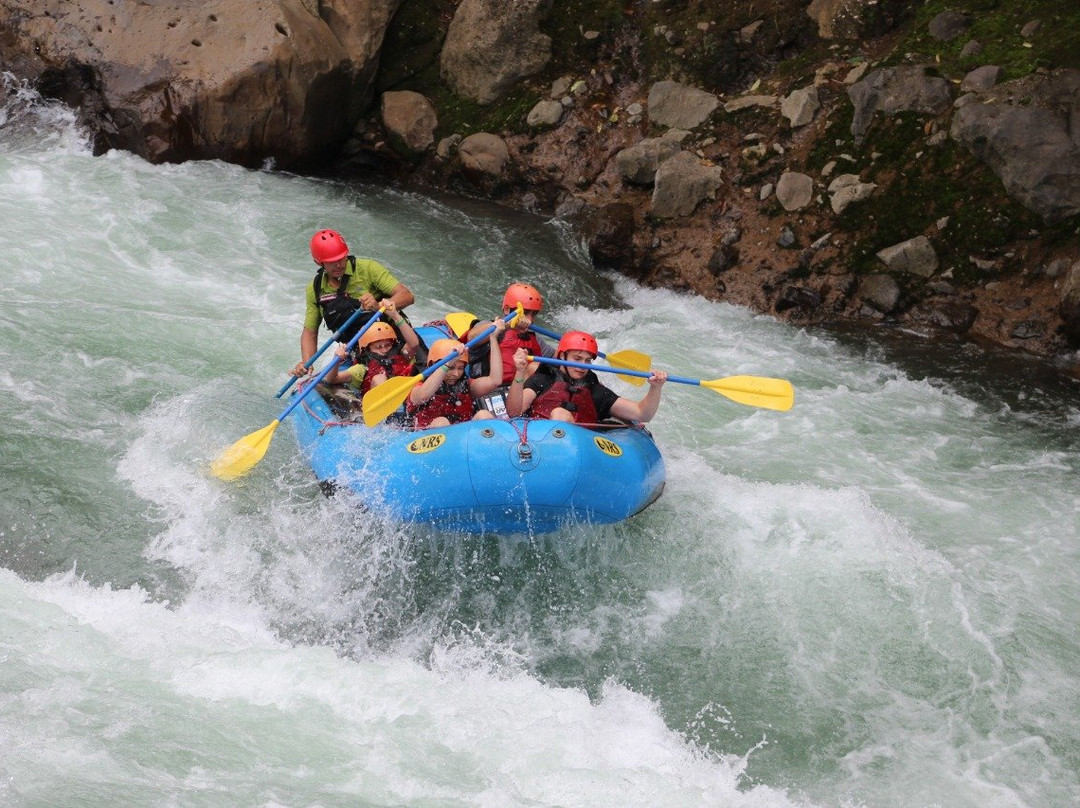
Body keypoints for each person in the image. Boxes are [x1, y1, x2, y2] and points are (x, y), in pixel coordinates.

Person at [292, 228, 415, 376]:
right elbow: (310, 332)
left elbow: (407, 296)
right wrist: (307, 362)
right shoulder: (315, 289)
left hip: (394, 339)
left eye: (341, 258)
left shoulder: (368, 268)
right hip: (358, 348)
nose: (339, 264)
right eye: (332, 262)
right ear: (319, 262)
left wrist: (378, 306)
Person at [506, 331, 668, 424]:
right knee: (559, 414)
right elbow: (514, 412)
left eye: (588, 360)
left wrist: (655, 387)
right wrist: (520, 372)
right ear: (562, 356)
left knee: (560, 415)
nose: (583, 365)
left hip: (579, 453)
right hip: (537, 446)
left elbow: (642, 414)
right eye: (577, 359)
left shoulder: (595, 390)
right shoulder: (543, 379)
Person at [407, 321, 507, 429]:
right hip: (427, 439)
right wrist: (447, 363)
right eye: (451, 368)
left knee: (484, 415)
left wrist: (493, 338)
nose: (456, 374)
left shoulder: (468, 386)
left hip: (463, 439)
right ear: (434, 365)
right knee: (442, 422)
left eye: (461, 368)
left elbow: (495, 380)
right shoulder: (417, 387)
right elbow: (423, 396)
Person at [326, 302, 420, 394]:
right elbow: (332, 379)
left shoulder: (403, 355)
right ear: (368, 349)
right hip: (381, 404)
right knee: (380, 379)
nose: (384, 350)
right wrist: (336, 359)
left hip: (407, 396)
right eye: (378, 347)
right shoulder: (362, 369)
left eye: (387, 345)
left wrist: (395, 315)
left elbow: (414, 344)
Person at [465, 282, 546, 386]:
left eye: (533, 314)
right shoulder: (488, 325)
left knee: (537, 367)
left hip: (517, 391)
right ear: (507, 309)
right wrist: (508, 324)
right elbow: (471, 338)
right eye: (525, 313)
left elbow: (558, 357)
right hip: (487, 388)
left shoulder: (534, 337)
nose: (529, 320)